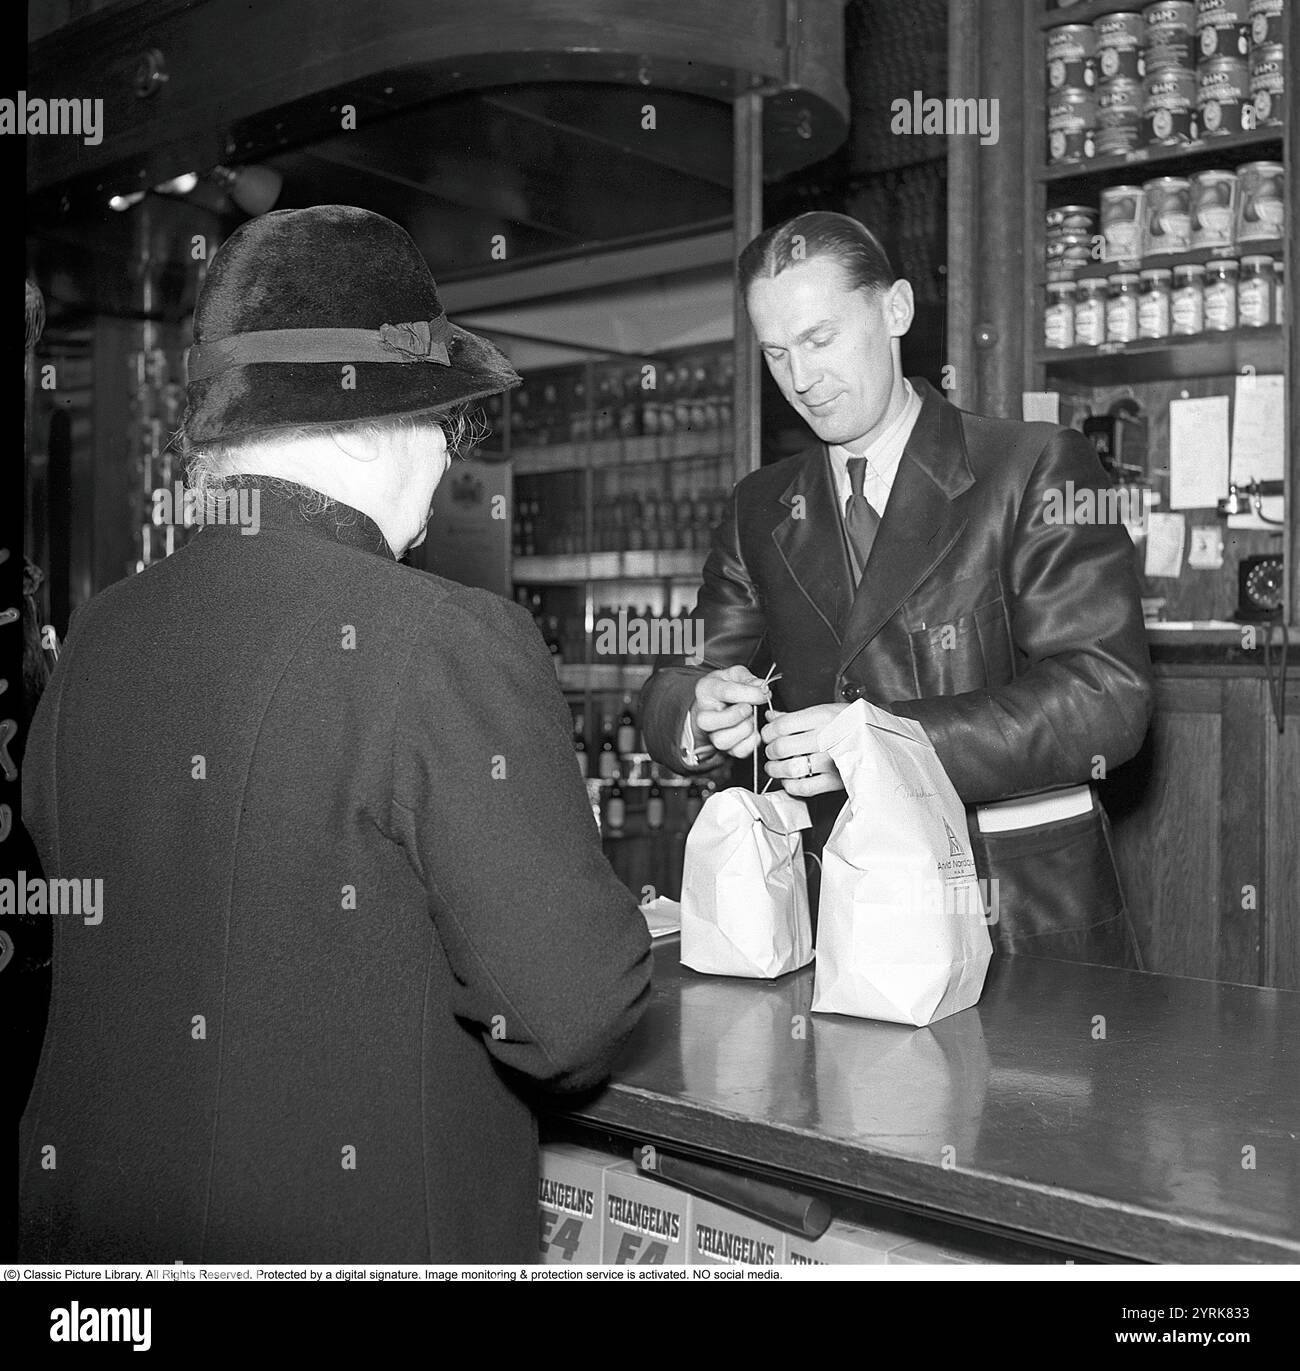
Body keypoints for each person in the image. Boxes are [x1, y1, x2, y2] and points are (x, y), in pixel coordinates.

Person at [19, 205, 652, 1264]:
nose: (447, 466)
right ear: (371, 424)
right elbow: (571, 1014)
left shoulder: (96, 635)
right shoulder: (441, 640)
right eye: (441, 424)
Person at [641, 211, 1154, 967]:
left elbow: (1105, 700)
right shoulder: (760, 506)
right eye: (777, 354)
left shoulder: (1033, 466)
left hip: (1018, 915)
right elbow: (676, 679)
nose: (802, 380)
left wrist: (874, 742)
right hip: (843, 919)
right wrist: (696, 709)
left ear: (897, 310)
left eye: (820, 340)